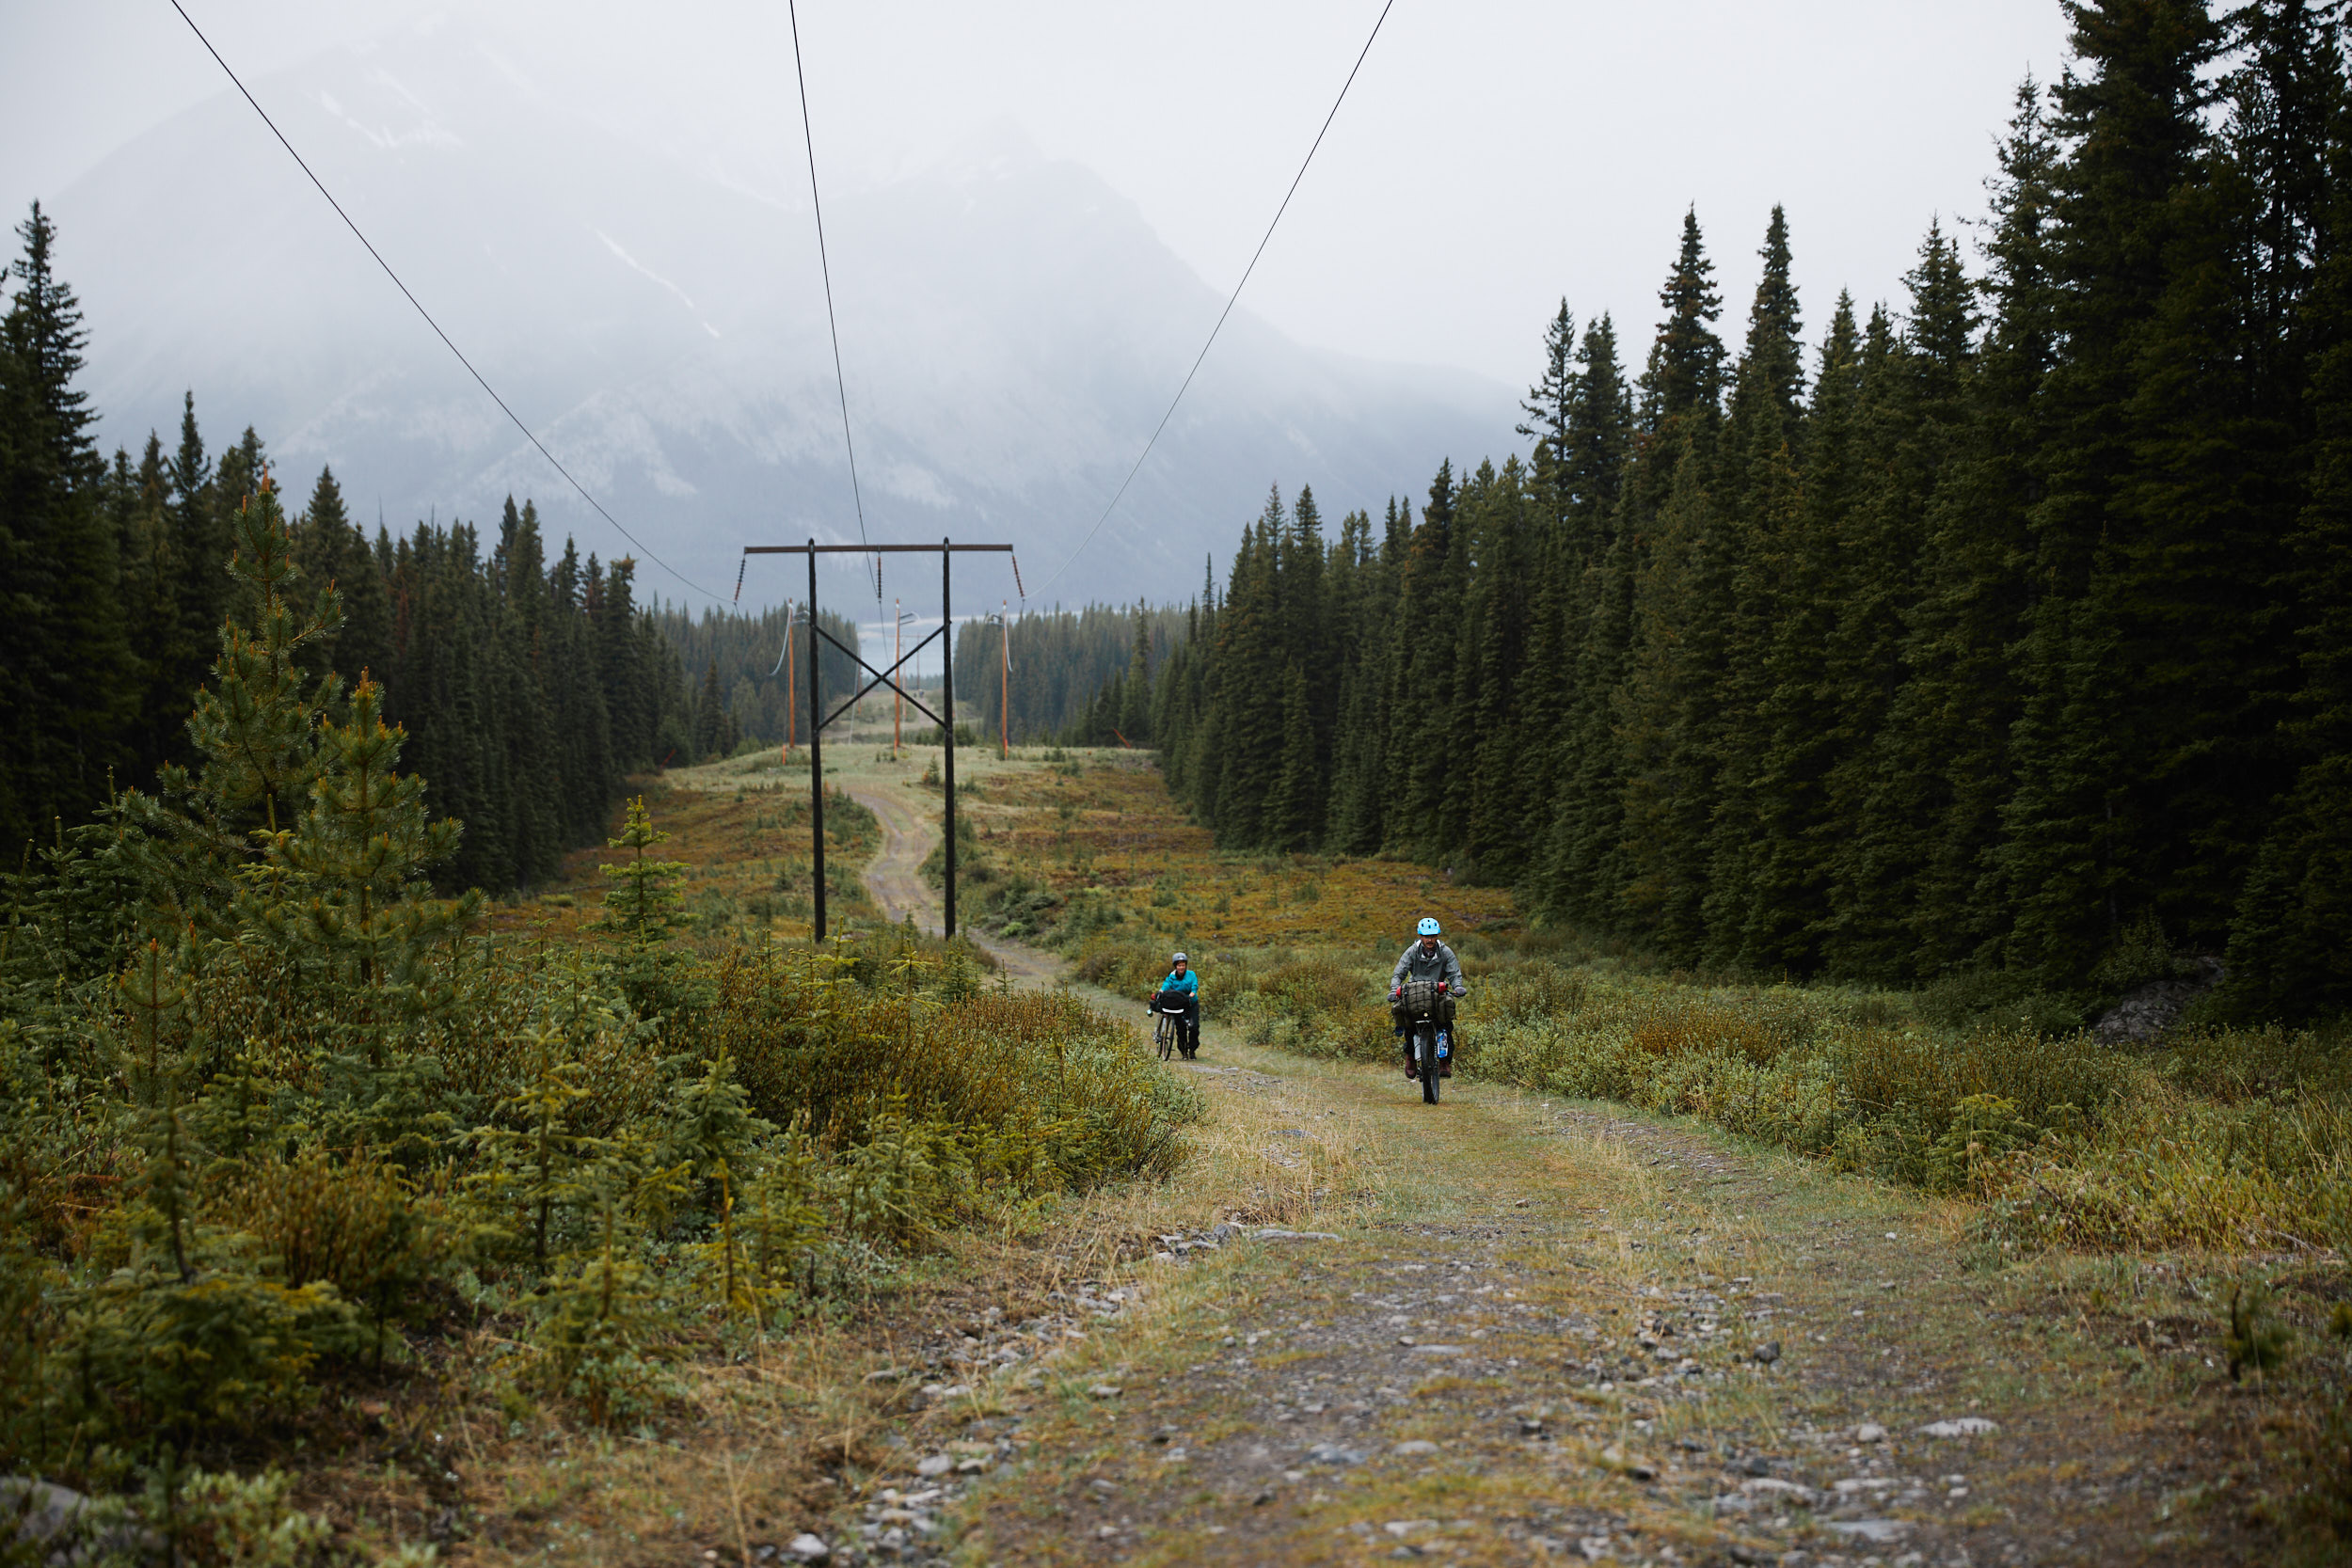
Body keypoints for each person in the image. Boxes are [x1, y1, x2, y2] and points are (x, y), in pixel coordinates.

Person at [1390, 917, 1465, 1078]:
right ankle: (1410, 1056)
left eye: (1432, 935)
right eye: (1426, 936)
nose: (1429, 939)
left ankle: (1444, 1062)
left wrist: (1458, 986)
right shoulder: (1411, 952)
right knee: (1408, 1024)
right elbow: (1399, 973)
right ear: (1420, 936)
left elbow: (1454, 973)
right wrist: (1393, 989)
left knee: (1446, 1024)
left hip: (1438, 992)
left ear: (1437, 935)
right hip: (1415, 993)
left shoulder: (1445, 952)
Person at [1151, 951, 1200, 1058]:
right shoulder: (1172, 976)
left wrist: (1192, 994)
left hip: (1191, 1004)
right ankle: (1184, 1052)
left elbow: (1194, 986)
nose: (1181, 967)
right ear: (1175, 966)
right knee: (1181, 1028)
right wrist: (1161, 991)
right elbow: (1166, 984)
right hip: (1179, 1004)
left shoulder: (1191, 974)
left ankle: (1192, 1050)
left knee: (1194, 1027)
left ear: (1186, 965)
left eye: (1183, 965)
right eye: (1179, 965)